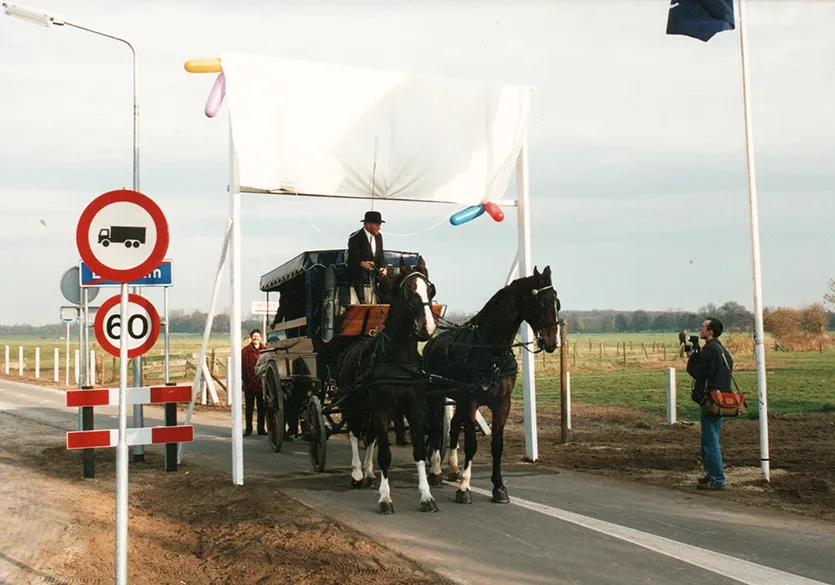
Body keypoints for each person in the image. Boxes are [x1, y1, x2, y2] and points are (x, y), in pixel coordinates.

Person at [686, 317, 733, 491]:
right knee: (710, 437)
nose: (700, 329)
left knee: (710, 440)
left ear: (710, 332)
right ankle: (711, 474)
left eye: (704, 327)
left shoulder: (709, 350)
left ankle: (717, 478)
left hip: (711, 400)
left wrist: (692, 358)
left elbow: (698, 373)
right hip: (721, 398)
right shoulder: (721, 349)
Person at [347, 210, 393, 303]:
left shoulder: (379, 236)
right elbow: (351, 257)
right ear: (368, 224)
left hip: (374, 274)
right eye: (377, 225)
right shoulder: (355, 237)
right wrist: (361, 263)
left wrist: (383, 267)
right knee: (359, 277)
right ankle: (361, 302)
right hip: (359, 273)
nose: (379, 228)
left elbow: (380, 255)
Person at [241, 328, 267, 437]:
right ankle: (248, 429)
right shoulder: (245, 351)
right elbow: (241, 366)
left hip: (262, 385)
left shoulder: (265, 350)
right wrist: (245, 378)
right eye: (254, 336)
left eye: (257, 336)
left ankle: (261, 429)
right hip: (249, 384)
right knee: (249, 409)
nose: (255, 338)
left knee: (262, 408)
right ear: (251, 338)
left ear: (260, 337)